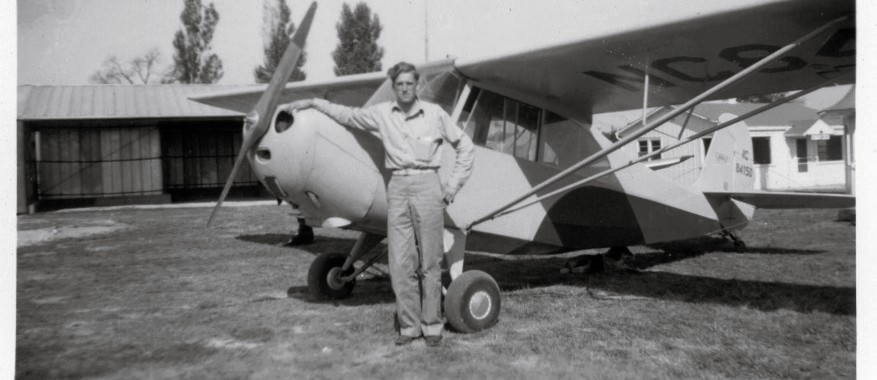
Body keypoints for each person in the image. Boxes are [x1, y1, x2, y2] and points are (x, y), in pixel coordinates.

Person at [286, 62, 474, 347]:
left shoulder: (435, 115)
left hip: (427, 186)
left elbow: (465, 146)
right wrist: (314, 103)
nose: (405, 89)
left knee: (431, 263)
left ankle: (432, 327)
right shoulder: (383, 114)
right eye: (399, 85)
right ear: (394, 88)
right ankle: (410, 328)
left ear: (417, 85)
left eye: (410, 84)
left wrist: (452, 186)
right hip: (397, 186)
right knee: (400, 263)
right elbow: (348, 116)